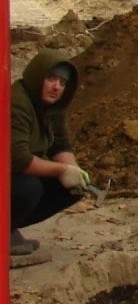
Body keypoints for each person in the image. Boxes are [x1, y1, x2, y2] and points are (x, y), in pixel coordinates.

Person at [9, 51, 90, 261]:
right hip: (10, 171)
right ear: (37, 76)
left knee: (69, 189)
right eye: (51, 79)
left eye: (62, 83)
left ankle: (8, 228)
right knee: (28, 188)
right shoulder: (16, 102)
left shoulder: (53, 108)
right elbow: (17, 159)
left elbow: (60, 145)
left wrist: (75, 174)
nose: (57, 87)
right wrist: (62, 170)